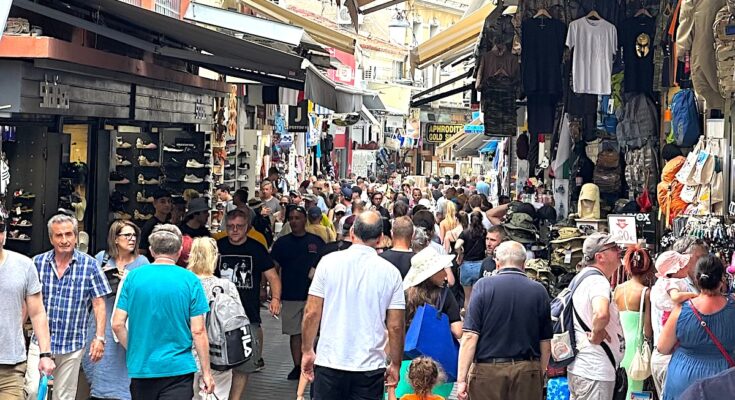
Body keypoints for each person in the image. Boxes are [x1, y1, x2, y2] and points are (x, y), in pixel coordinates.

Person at [301, 211, 405, 400]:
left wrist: (307, 350)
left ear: (352, 234)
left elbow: (311, 312)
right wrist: (396, 364)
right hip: (369, 367)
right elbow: (396, 326)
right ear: (380, 239)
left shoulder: (328, 263)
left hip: (330, 361)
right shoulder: (391, 273)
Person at [112, 224, 214, 400]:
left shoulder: (133, 278)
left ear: (151, 250)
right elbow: (198, 330)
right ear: (180, 250)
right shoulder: (190, 280)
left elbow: (117, 324)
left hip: (143, 368)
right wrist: (206, 372)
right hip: (178, 368)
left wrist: (135, 348)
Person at [26, 214, 111, 400]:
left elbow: (99, 304)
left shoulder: (90, 265)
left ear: (76, 236)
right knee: (31, 390)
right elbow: (27, 301)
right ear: (51, 238)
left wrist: (100, 337)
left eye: (68, 234)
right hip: (40, 341)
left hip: (72, 342)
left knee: (63, 396)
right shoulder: (37, 263)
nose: (64, 240)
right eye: (59, 236)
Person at [456, 241, 552, 400]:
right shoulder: (539, 291)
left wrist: (461, 380)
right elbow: (546, 344)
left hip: (488, 372)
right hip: (527, 371)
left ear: (497, 263)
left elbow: (470, 336)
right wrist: (539, 374)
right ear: (524, 264)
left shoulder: (483, 286)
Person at [216, 209, 281, 399]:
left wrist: (275, 299)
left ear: (247, 227)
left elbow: (272, 276)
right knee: (219, 362)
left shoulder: (256, 248)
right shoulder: (217, 246)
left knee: (243, 364)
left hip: (247, 314)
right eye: (230, 227)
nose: (235, 230)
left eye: (239, 226)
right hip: (219, 315)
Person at [82, 220, 148, 400]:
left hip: (128, 322)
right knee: (99, 364)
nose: (132, 239)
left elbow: (146, 295)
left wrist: (127, 282)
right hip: (102, 320)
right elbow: (87, 288)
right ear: (115, 239)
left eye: (134, 235)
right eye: (127, 235)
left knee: (125, 368)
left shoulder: (142, 263)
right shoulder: (101, 258)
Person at [658, 255, 735, 400]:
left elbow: (662, 347)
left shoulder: (682, 310)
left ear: (697, 279)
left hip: (683, 380)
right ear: (722, 280)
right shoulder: (732, 307)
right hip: (721, 381)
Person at [0, 215, 55, 400]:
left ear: (5, 234)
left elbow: (38, 313)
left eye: (0, 228)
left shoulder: (24, 265)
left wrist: (45, 354)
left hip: (11, 365)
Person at [566, 233, 625, 400]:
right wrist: (597, 333)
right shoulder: (598, 281)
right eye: (613, 248)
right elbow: (601, 313)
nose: (619, 251)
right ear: (600, 257)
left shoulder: (582, 278)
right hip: (595, 369)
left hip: (584, 368)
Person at [270, 205, 325, 380]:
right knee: (295, 333)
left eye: (298, 218)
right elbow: (273, 268)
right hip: (290, 295)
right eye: (291, 218)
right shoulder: (282, 243)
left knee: (316, 331)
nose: (294, 221)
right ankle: (297, 365)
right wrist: (272, 294)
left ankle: (314, 363)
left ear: (305, 220)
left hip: (314, 296)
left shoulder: (316, 242)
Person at [399, 247, 460, 398]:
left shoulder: (404, 295)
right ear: (431, 273)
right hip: (436, 366)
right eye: (441, 269)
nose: (446, 274)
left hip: (406, 361)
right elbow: (457, 330)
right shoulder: (445, 295)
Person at [188, 237, 242, 400]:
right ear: (215, 257)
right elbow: (238, 320)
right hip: (218, 354)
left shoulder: (183, 284)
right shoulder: (226, 286)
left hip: (185, 355)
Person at [650, 250, 697, 396]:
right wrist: (694, 295)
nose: (687, 268)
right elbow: (676, 297)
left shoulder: (665, 282)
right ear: (675, 270)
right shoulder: (672, 283)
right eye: (683, 266)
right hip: (671, 318)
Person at [612, 245, 654, 399]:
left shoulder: (617, 289)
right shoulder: (646, 292)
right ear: (648, 268)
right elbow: (648, 329)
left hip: (619, 344)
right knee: (636, 388)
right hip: (637, 346)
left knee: (619, 386)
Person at [454, 211, 487, 311]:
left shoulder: (465, 232)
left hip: (466, 266)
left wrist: (460, 253)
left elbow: (456, 245)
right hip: (480, 265)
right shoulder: (484, 232)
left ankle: (468, 319)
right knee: (478, 296)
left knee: (467, 297)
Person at [139, 188, 172, 259]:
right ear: (154, 204)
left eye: (169, 201)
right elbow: (141, 250)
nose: (167, 205)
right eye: (163, 202)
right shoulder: (149, 225)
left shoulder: (170, 225)